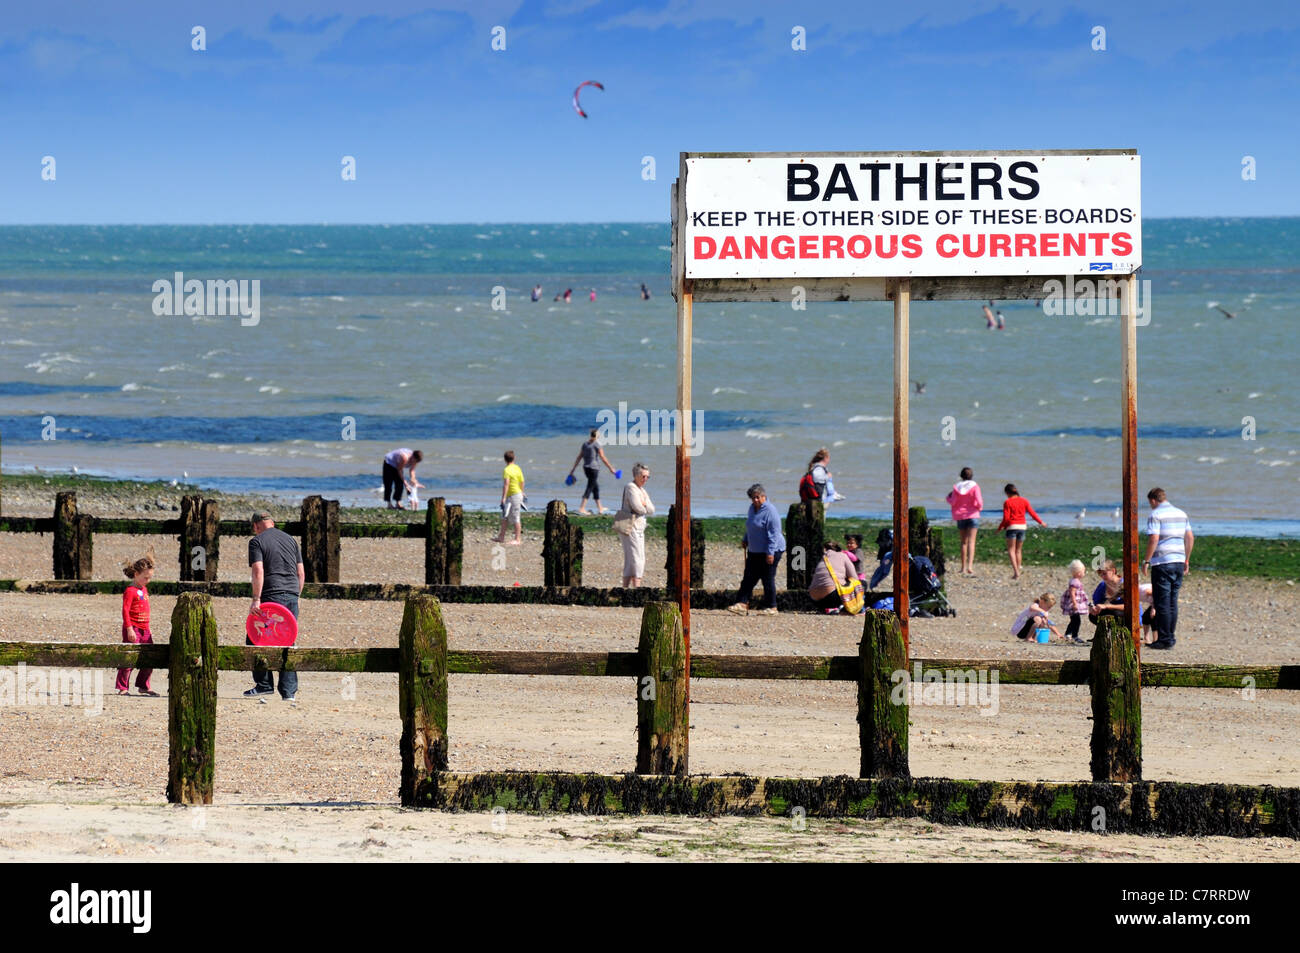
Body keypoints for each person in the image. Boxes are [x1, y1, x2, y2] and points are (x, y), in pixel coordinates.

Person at [246, 511, 304, 700]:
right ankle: (289, 692)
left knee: (257, 637)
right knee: (287, 638)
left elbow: (258, 570)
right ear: (272, 522)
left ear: (256, 526)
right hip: (292, 593)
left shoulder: (257, 541)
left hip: (272, 593)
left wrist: (256, 598)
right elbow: (301, 572)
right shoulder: (290, 540)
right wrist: (296, 594)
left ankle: (264, 684)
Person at [1144, 487, 1193, 650]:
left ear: (1153, 500)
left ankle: (1164, 639)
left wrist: (1146, 560)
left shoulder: (1155, 514)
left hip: (1162, 561)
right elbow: (1189, 537)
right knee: (1172, 601)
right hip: (1178, 560)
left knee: (1162, 601)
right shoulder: (1181, 513)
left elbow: (1154, 538)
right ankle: (1170, 636)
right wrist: (1186, 559)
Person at [728, 484, 786, 616]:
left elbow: (774, 534)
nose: (755, 500)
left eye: (757, 497)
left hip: (771, 550)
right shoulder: (752, 509)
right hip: (754, 549)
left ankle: (772, 607)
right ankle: (741, 603)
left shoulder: (770, 511)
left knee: (767, 578)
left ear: (764, 496)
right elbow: (751, 525)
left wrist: (770, 553)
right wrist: (745, 538)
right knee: (749, 577)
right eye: (753, 498)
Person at [116, 550, 158, 696]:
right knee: (129, 657)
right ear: (136, 575)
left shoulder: (144, 589)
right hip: (133, 627)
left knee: (149, 656)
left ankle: (143, 685)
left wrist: (148, 628)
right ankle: (122, 687)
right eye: (146, 578)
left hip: (144, 628)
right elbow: (125, 611)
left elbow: (146, 610)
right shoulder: (130, 591)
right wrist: (129, 629)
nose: (148, 581)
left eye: (150, 578)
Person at [614, 463, 654, 587]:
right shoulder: (631, 487)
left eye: (648, 477)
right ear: (636, 476)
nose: (645, 479)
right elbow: (638, 508)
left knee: (633, 557)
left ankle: (625, 588)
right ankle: (637, 586)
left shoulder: (642, 490)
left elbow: (652, 509)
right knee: (637, 557)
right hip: (630, 526)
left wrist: (644, 504)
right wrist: (644, 505)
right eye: (643, 476)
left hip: (638, 528)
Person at [997, 483, 1045, 579]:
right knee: (1018, 550)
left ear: (1007, 493)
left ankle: (1016, 572)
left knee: (1011, 550)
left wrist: (1001, 527)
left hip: (1012, 527)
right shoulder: (1024, 501)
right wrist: (1041, 522)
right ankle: (1018, 570)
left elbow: (1006, 518)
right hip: (1022, 526)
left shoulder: (1008, 502)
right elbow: (1032, 513)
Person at [569, 428, 618, 515]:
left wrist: (573, 470)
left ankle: (600, 508)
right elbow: (603, 458)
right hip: (594, 469)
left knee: (595, 487)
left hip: (586, 468)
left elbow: (579, 457)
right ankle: (582, 508)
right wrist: (611, 469)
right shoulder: (597, 444)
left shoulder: (585, 444)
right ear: (597, 436)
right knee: (590, 487)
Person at [946, 466, 983, 575]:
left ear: (961, 476)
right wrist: (978, 508)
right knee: (972, 542)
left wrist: (948, 498)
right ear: (971, 476)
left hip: (960, 516)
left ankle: (962, 567)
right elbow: (979, 501)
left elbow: (952, 502)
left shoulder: (957, 487)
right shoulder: (975, 486)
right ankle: (970, 566)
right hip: (973, 515)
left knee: (963, 542)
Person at [809, 541, 859, 613]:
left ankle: (826, 609)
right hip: (832, 596)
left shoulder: (823, 558)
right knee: (854, 586)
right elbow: (854, 578)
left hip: (814, 598)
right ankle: (842, 607)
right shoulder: (843, 556)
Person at [494, 450, 525, 546]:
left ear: (505, 459)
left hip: (514, 495)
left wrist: (503, 498)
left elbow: (506, 484)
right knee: (505, 516)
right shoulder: (517, 468)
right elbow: (522, 481)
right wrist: (522, 491)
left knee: (516, 516)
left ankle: (518, 539)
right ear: (514, 458)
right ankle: (501, 536)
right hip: (513, 495)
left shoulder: (507, 470)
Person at [1061, 559, 1091, 644]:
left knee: (1074, 620)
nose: (1084, 574)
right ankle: (1074, 635)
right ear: (1078, 573)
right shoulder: (1075, 582)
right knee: (1076, 620)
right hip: (1074, 604)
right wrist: (1074, 603)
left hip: (1075, 603)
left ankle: (1068, 634)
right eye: (1083, 572)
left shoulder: (1075, 581)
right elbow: (1072, 593)